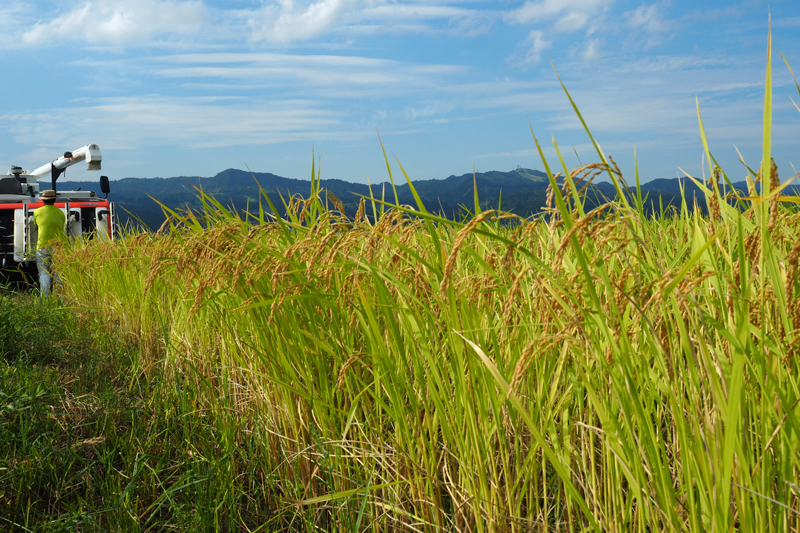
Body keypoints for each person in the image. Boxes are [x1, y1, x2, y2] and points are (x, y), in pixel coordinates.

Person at [33, 190, 66, 297]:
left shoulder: (37, 212)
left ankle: (45, 297)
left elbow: (37, 226)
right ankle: (61, 296)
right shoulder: (61, 213)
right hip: (58, 247)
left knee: (44, 273)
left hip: (42, 246)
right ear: (54, 200)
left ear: (43, 201)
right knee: (58, 273)